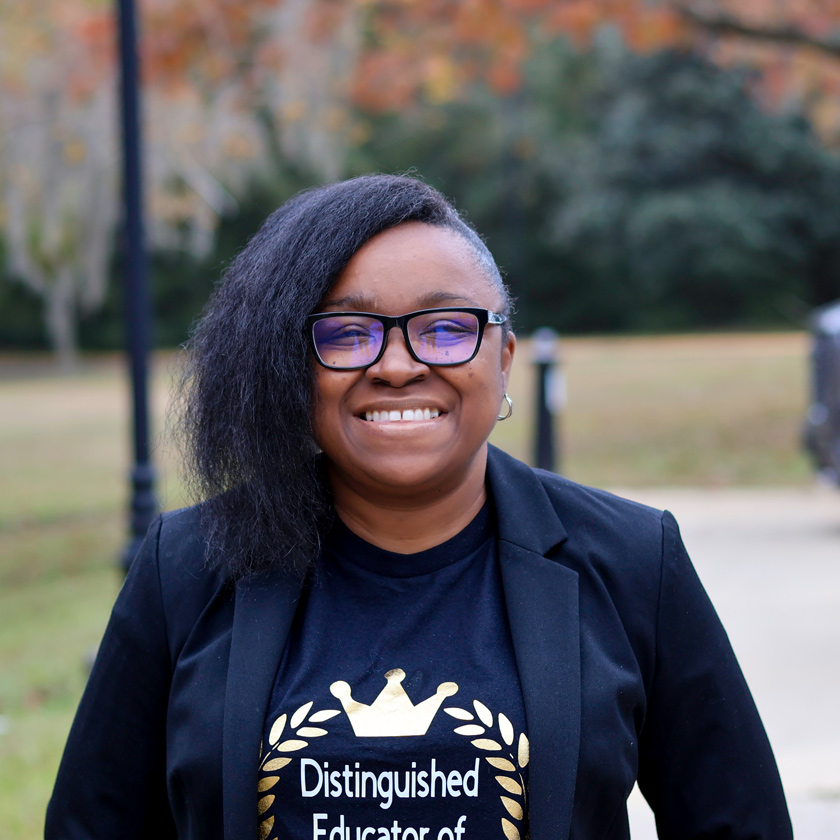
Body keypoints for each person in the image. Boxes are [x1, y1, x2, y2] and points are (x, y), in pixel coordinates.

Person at [46, 174, 792, 840]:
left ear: (502, 360)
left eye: (445, 329)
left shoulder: (632, 560)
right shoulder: (186, 567)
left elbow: (740, 822)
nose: (398, 366)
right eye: (347, 333)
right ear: (291, 369)